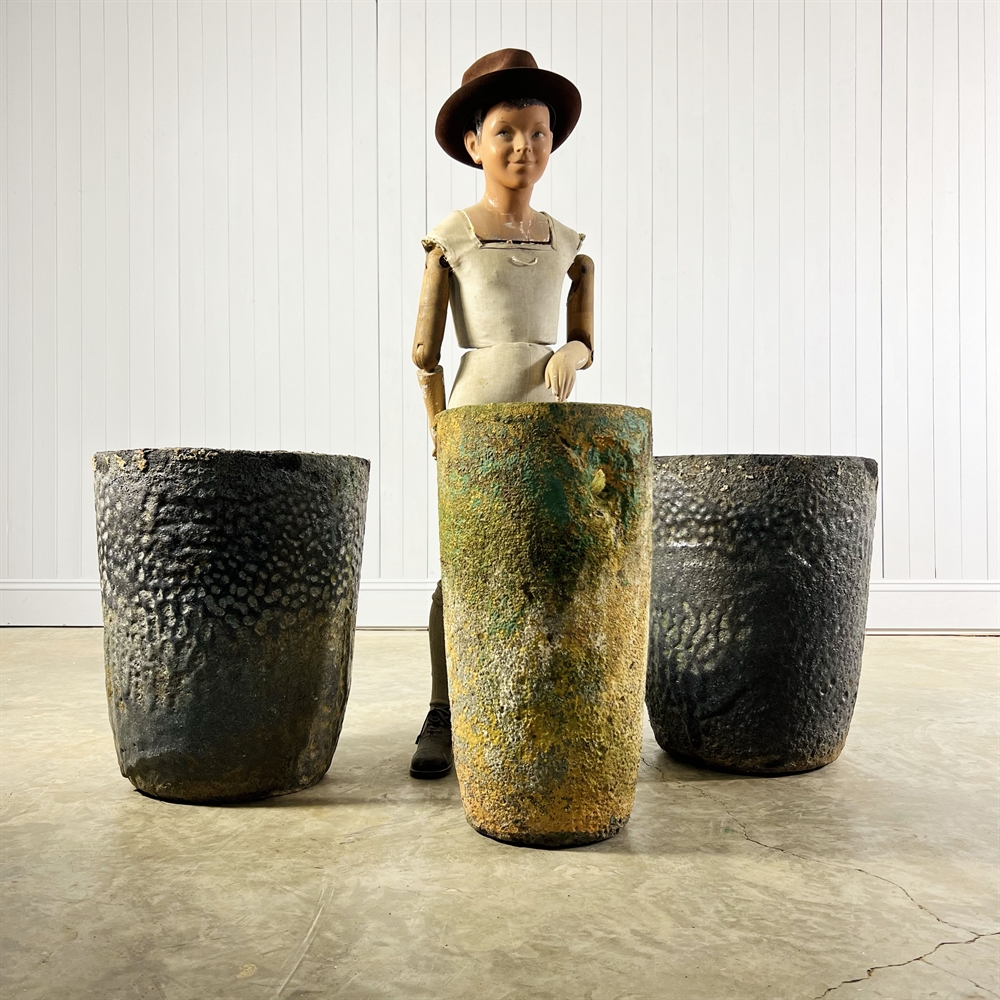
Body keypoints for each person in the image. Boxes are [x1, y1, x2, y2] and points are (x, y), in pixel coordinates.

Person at [409, 49, 595, 778]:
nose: (525, 147)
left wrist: (570, 353)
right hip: (477, 412)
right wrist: (439, 426)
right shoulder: (451, 238)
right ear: (474, 143)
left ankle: (534, 706)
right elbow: (424, 352)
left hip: (549, 414)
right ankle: (446, 710)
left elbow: (584, 338)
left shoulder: (568, 245)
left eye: (539, 132)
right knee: (465, 564)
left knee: (549, 561)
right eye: (507, 133)